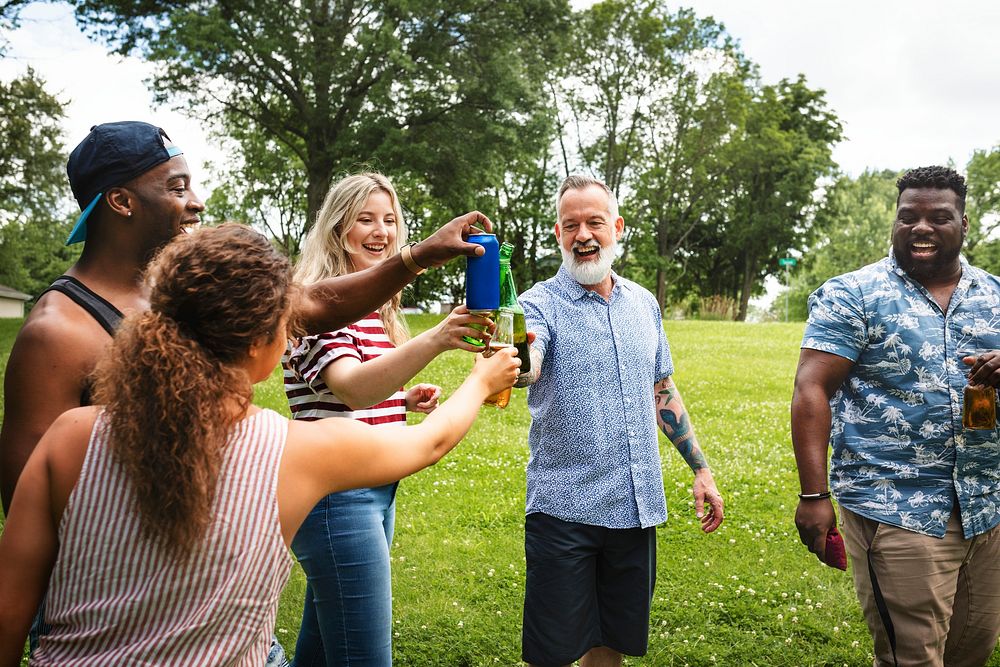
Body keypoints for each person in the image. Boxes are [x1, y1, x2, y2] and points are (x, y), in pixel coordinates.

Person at [0, 121, 492, 662]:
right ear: (119, 201)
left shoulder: (188, 296)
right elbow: (31, 510)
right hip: (118, 603)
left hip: (217, 595)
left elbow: (318, 305)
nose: (196, 202)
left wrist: (417, 256)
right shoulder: (58, 333)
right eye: (177, 186)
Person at [791, 166, 1000, 666]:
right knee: (913, 658)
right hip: (898, 506)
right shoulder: (855, 294)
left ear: (964, 224)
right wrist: (814, 496)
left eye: (939, 217)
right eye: (908, 217)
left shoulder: (996, 295)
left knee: (972, 651)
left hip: (987, 507)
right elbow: (811, 389)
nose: (921, 227)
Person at [514, 175, 724, 667]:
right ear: (558, 234)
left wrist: (701, 469)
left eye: (594, 222)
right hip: (563, 508)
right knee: (553, 652)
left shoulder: (643, 303)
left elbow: (662, 389)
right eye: (571, 226)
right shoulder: (537, 304)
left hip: (634, 507)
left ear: (617, 228)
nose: (583, 235)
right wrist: (514, 358)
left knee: (612, 646)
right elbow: (528, 364)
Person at [282, 172, 490, 666]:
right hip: (337, 499)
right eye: (366, 219)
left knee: (322, 652)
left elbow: (363, 389)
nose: (382, 231)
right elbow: (352, 390)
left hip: (374, 490)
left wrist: (400, 399)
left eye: (391, 221)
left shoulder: (371, 310)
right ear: (337, 229)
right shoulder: (318, 303)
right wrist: (437, 339)